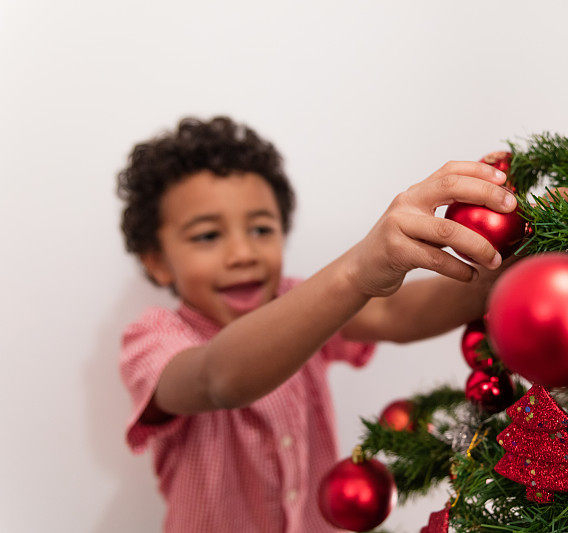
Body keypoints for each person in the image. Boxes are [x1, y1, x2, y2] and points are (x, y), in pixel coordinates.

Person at [116, 115, 518, 532]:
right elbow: (216, 378)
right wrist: (354, 272)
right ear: (158, 261)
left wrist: (501, 272)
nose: (242, 253)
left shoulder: (303, 301)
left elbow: (395, 311)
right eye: (207, 236)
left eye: (260, 229)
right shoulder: (154, 338)